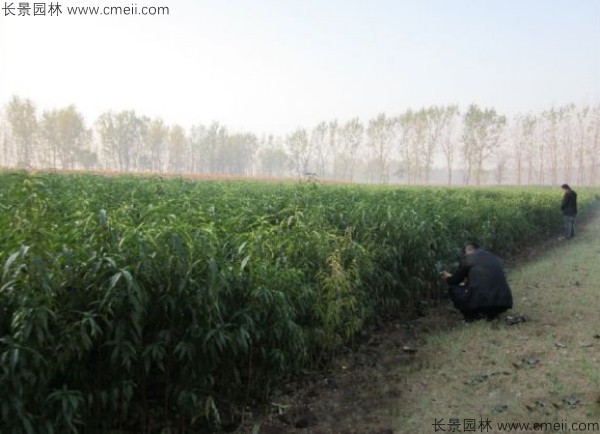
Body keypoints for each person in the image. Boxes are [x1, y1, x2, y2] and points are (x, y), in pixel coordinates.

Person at [441, 242, 513, 322]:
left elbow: (454, 281)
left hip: (481, 304)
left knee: (453, 289)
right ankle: (491, 315)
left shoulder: (468, 259)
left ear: (468, 250)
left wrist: (448, 277)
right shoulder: (494, 258)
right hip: (503, 303)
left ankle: (471, 316)